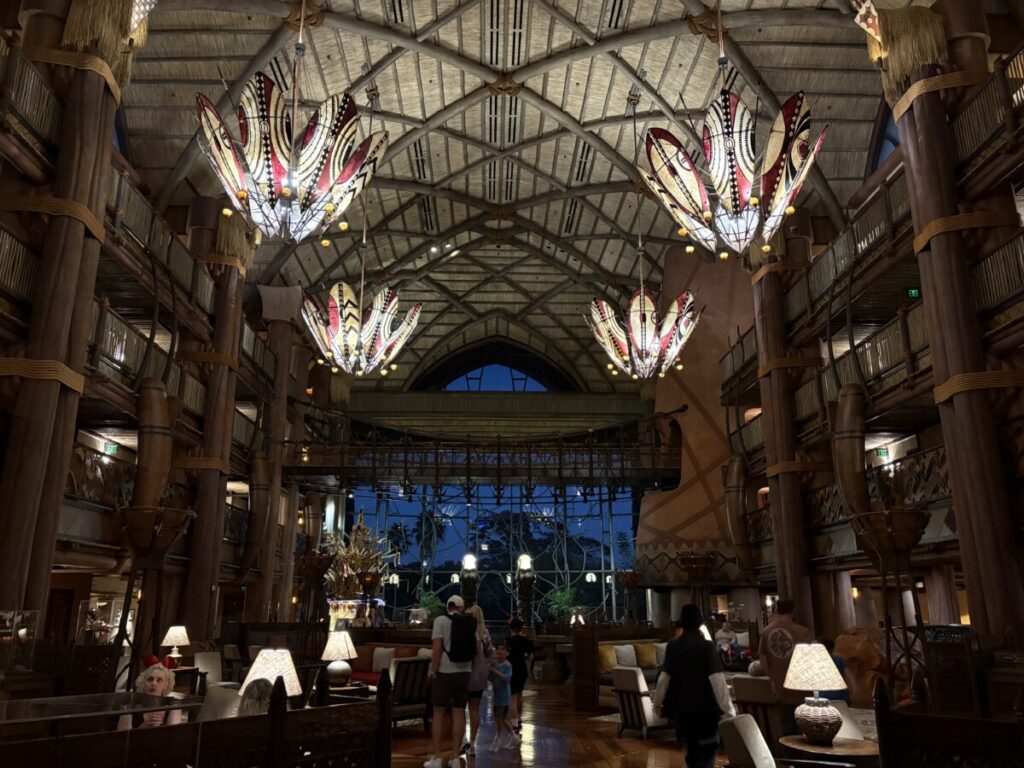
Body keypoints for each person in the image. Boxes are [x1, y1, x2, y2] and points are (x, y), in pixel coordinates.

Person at [653, 604, 735, 768]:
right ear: (700, 622)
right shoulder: (707, 647)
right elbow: (717, 680)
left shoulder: (673, 646)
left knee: (692, 750)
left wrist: (657, 704)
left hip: (682, 709)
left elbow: (664, 678)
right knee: (708, 749)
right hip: (706, 710)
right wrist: (728, 709)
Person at [425, 595, 476, 768]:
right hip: (464, 671)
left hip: (445, 671)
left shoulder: (440, 620)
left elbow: (437, 648)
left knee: (438, 712)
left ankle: (437, 757)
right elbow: (475, 648)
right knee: (459, 711)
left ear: (448, 606)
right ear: (461, 607)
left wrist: (434, 669)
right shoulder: (469, 622)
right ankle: (455, 757)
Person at [758, 598, 812, 732]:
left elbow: (763, 661)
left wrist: (771, 678)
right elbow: (809, 660)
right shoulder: (802, 632)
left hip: (778, 686)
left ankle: (785, 752)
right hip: (800, 687)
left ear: (776, 610)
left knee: (785, 728)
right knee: (804, 728)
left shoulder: (766, 632)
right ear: (793, 611)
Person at [119, 659, 182, 730]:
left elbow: (174, 735)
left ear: (166, 685)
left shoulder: (173, 705)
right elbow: (122, 737)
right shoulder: (130, 706)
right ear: (142, 683)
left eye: (159, 680)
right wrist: (143, 727)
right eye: (150, 679)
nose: (153, 683)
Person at [464, 604, 492, 756]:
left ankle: (461, 740)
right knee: (475, 709)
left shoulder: (465, 632)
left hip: (465, 672)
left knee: (460, 709)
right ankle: (472, 743)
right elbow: (489, 652)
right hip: (480, 673)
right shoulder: (485, 633)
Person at [487, 643, 517, 751]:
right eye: (498, 649)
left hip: (504, 696)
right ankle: (512, 736)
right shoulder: (495, 664)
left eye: (503, 649)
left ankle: (499, 738)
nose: (499, 651)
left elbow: (507, 678)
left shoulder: (507, 665)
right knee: (498, 718)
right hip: (497, 696)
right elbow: (491, 679)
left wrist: (495, 671)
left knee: (501, 718)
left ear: (507, 653)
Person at [506, 617, 533, 732]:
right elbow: (530, 656)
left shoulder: (508, 641)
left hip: (511, 669)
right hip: (522, 669)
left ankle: (514, 721)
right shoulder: (525, 640)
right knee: (519, 695)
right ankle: (520, 717)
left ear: (510, 628)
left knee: (512, 697)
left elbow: (505, 656)